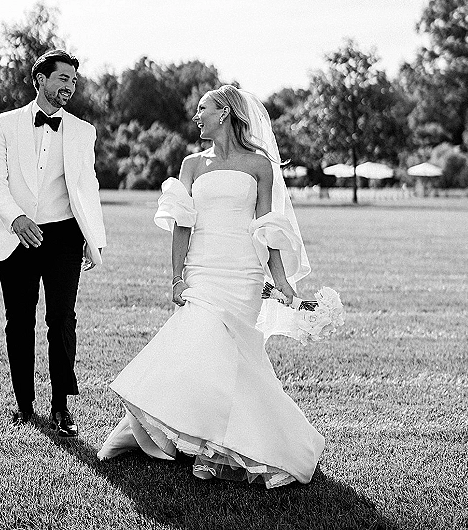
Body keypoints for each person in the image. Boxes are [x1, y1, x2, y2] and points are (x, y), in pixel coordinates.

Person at [97, 85, 325, 488]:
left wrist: (283, 283)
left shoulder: (260, 166)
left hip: (244, 275)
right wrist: (176, 277)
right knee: (190, 349)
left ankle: (215, 453)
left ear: (225, 113)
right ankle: (140, 429)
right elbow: (182, 225)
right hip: (202, 272)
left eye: (203, 109)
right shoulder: (191, 165)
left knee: (234, 364)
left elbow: (267, 228)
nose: (196, 116)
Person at [0, 49, 106, 435]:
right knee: (19, 322)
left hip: (64, 236)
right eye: (63, 78)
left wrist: (92, 238)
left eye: (73, 80)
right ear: (40, 80)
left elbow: (88, 187)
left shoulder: (84, 131)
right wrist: (15, 218)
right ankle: (23, 404)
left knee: (62, 320)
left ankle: (61, 407)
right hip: (16, 233)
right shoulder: (2, 125)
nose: (70, 86)